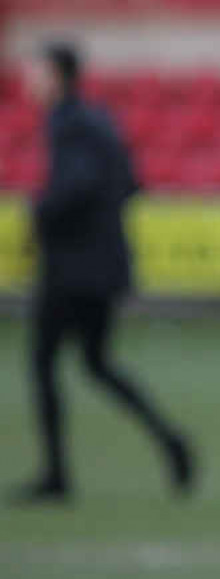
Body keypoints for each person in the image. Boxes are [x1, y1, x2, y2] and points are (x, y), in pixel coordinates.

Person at [9, 42, 194, 504]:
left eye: (36, 69)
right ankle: (171, 442)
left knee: (44, 362)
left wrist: (40, 211)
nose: (28, 79)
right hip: (101, 266)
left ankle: (56, 476)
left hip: (73, 271)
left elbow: (76, 187)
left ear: (57, 76)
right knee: (95, 363)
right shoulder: (98, 120)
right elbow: (132, 183)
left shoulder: (69, 125)